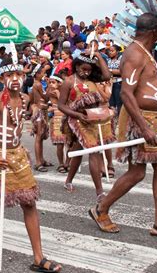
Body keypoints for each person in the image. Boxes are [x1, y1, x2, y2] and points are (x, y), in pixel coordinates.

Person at [89, 13, 157, 240]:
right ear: (154, 32)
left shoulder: (144, 52)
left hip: (153, 118)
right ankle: (101, 208)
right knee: (136, 172)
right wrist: (144, 127)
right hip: (140, 118)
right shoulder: (134, 53)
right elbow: (126, 93)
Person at [0, 57, 62, 273]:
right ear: (2, 78)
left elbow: (27, 114)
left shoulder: (25, 99)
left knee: (29, 203)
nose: (15, 79)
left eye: (19, 75)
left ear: (24, 77)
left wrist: (37, 109)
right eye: (10, 75)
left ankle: (38, 257)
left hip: (18, 155)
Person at [58, 52, 113, 198]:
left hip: (94, 119)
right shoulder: (68, 82)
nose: (86, 72)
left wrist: (99, 57)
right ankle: (100, 192)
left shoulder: (93, 79)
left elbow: (107, 76)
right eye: (83, 69)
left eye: (89, 69)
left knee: (79, 150)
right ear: (76, 67)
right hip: (77, 119)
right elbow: (61, 106)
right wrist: (77, 115)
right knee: (94, 151)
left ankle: (68, 180)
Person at [30, 62, 52, 172]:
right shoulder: (38, 84)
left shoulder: (37, 83)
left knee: (41, 136)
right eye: (43, 72)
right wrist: (49, 86)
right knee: (39, 137)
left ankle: (41, 160)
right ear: (37, 74)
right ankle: (38, 162)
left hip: (41, 111)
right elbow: (46, 98)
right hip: (39, 112)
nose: (44, 74)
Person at [47, 73, 68, 173]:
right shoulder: (51, 91)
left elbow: (64, 102)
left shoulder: (63, 91)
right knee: (60, 144)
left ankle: (67, 163)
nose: (51, 84)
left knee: (70, 143)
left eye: (53, 82)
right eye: (50, 82)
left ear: (60, 83)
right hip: (57, 118)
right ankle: (61, 163)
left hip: (66, 117)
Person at [107, 45, 123, 116]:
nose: (110, 52)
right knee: (111, 102)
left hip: (118, 83)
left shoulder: (121, 60)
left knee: (119, 102)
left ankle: (120, 119)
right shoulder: (108, 60)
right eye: (109, 51)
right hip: (110, 84)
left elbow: (121, 71)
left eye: (112, 51)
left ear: (117, 52)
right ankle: (113, 119)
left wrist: (109, 70)